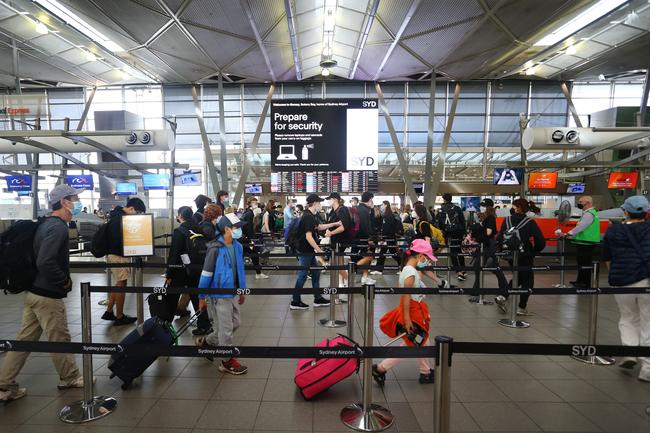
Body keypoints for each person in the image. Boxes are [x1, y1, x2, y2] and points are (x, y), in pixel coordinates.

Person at [0, 185, 87, 401]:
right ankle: (69, 377)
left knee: (24, 340)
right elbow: (45, 260)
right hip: (47, 295)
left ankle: (4, 384)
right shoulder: (57, 227)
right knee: (59, 337)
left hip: (34, 293)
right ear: (64, 202)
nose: (77, 202)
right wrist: (64, 280)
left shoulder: (45, 223)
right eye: (74, 198)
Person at [372, 239, 435, 386]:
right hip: (412, 311)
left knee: (421, 340)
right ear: (420, 256)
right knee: (413, 343)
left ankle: (425, 371)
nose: (428, 262)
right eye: (427, 258)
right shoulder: (411, 272)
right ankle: (381, 368)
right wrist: (407, 319)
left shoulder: (408, 269)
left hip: (414, 308)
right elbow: (406, 296)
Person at [602, 195, 650, 381]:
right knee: (648, 321)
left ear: (625, 211)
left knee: (628, 317)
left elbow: (607, 257)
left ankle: (630, 352)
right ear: (646, 212)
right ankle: (647, 368)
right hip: (647, 280)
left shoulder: (614, 231)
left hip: (623, 280)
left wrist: (615, 276)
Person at [196, 213, 248, 375]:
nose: (239, 230)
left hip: (233, 292)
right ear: (227, 229)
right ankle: (226, 361)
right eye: (236, 227)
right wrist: (202, 296)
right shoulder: (215, 249)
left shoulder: (238, 246)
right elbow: (206, 273)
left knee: (236, 324)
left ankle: (207, 342)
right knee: (225, 329)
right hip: (218, 295)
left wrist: (242, 290)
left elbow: (240, 269)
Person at [494, 198, 545, 316]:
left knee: (518, 276)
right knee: (528, 280)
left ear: (517, 207)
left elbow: (500, 237)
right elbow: (540, 240)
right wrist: (534, 251)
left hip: (510, 255)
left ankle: (503, 296)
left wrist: (502, 250)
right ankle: (521, 307)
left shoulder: (506, 220)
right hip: (525, 254)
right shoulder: (529, 222)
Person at [166, 206, 213, 335]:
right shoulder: (199, 228)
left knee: (172, 297)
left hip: (181, 270)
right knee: (197, 297)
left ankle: (165, 327)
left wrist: (169, 273)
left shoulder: (180, 231)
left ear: (180, 215)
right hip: (197, 268)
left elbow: (174, 254)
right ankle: (204, 325)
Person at [290, 194, 342, 310]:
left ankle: (318, 298)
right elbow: (308, 236)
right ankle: (295, 301)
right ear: (314, 204)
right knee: (302, 276)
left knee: (316, 273)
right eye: (319, 203)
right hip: (305, 251)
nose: (321, 205)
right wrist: (320, 251)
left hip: (308, 251)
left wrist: (334, 224)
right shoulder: (308, 217)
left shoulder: (310, 215)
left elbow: (319, 227)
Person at [102, 197, 146, 325]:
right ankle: (120, 316)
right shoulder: (120, 219)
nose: (137, 216)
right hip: (118, 255)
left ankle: (109, 311)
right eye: (137, 212)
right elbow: (120, 240)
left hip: (115, 255)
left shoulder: (116, 216)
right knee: (122, 284)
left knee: (119, 283)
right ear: (131, 208)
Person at [558, 196, 601, 288]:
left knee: (585, 263)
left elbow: (581, 227)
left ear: (588, 203)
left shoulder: (589, 214)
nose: (579, 203)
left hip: (586, 242)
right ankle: (580, 280)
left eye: (581, 202)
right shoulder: (589, 213)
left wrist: (567, 234)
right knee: (581, 262)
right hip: (584, 242)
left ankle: (584, 283)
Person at [437, 193, 467, 281]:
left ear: (444, 200)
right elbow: (462, 220)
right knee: (459, 250)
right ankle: (464, 270)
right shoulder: (457, 208)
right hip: (458, 233)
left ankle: (459, 272)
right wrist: (464, 232)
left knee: (452, 252)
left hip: (448, 233)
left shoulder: (442, 210)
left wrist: (444, 232)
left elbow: (440, 223)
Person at [324, 192, 352, 288]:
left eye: (329, 199)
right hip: (335, 241)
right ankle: (341, 283)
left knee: (336, 264)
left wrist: (330, 233)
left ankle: (348, 280)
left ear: (335, 199)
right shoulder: (332, 211)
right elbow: (331, 223)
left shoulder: (342, 210)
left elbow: (343, 227)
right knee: (339, 263)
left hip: (340, 241)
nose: (328, 201)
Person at [240, 197, 269, 280]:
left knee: (253, 255)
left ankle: (258, 273)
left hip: (245, 238)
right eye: (254, 203)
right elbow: (248, 227)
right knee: (254, 254)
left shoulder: (246, 212)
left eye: (256, 203)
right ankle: (258, 273)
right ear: (249, 203)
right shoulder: (249, 214)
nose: (256, 204)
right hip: (249, 239)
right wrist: (252, 239)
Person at [353, 192, 377, 285]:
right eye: (372, 200)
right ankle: (351, 269)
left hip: (359, 237)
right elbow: (364, 226)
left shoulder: (361, 209)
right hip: (361, 238)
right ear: (370, 199)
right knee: (369, 256)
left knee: (366, 256)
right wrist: (369, 238)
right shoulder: (363, 210)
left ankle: (365, 277)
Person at [375, 200, 402, 275]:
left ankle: (403, 267)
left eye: (382, 205)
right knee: (384, 252)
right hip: (390, 237)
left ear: (386, 205)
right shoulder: (388, 214)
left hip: (388, 237)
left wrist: (383, 238)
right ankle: (379, 269)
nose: (381, 206)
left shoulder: (387, 215)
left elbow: (386, 228)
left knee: (392, 252)